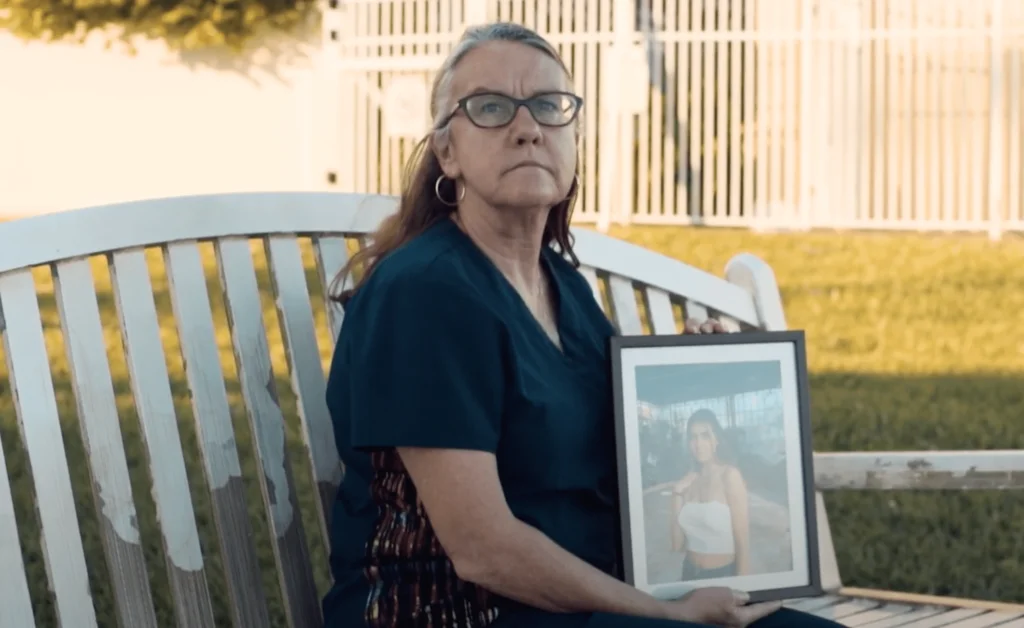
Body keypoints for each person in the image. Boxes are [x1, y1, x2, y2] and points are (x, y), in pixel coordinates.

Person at [320, 21, 844, 628]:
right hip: (458, 613)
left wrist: (684, 374)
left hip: (582, 602)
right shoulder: (424, 292)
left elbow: (609, 452)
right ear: (447, 152)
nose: (527, 128)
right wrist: (666, 613)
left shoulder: (561, 284)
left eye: (548, 106)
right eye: (490, 108)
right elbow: (483, 549)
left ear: (574, 137)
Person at [671, 410, 752, 580]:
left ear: (717, 440)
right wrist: (677, 493)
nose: (698, 444)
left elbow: (743, 543)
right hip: (689, 573)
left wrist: (743, 584)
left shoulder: (730, 476)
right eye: (693, 437)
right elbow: (677, 545)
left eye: (705, 436)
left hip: (722, 574)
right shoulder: (688, 481)